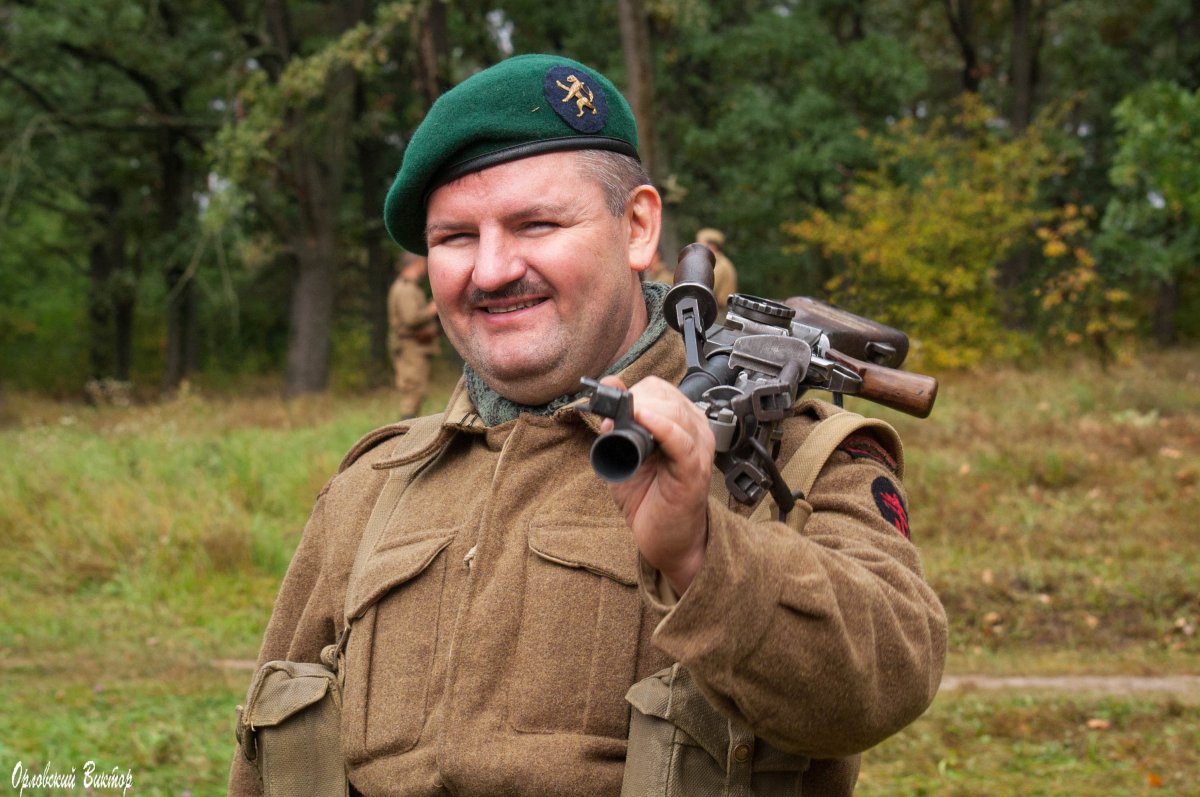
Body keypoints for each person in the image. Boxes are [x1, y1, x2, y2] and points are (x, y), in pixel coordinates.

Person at [230, 54, 945, 797]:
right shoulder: (370, 488)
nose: (492, 270)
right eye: (456, 238)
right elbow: (265, 757)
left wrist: (702, 553)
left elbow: (889, 676)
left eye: (535, 224)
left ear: (637, 228)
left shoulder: (787, 453)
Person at [386, 252, 439, 417]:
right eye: (422, 263)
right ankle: (406, 428)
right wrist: (431, 309)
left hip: (414, 346)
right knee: (413, 390)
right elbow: (411, 318)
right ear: (415, 264)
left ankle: (409, 425)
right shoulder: (405, 289)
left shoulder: (408, 287)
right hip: (411, 347)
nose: (424, 266)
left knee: (416, 390)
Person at [696, 227, 738, 311]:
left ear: (712, 245)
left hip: (716, 312)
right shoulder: (719, 262)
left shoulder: (718, 264)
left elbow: (705, 289)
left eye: (700, 243)